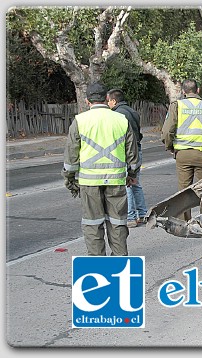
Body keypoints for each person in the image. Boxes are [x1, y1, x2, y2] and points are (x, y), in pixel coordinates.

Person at [62, 82, 140, 256]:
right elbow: (132, 154)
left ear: (87, 100)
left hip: (89, 183)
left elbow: (71, 157)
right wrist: (132, 174)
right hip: (116, 181)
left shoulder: (80, 121)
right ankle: (119, 260)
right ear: (106, 98)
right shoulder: (121, 120)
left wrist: (69, 179)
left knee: (92, 224)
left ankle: (98, 265)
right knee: (117, 223)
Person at [161, 79, 202, 221]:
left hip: (183, 153)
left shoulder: (177, 106)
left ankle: (185, 221)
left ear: (183, 91)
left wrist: (170, 146)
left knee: (184, 189)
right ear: (198, 90)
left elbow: (167, 131)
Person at [107, 88, 148, 228]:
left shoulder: (117, 114)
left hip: (125, 151)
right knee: (136, 183)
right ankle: (143, 214)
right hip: (137, 150)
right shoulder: (133, 112)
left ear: (113, 100)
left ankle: (130, 217)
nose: (107, 104)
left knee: (127, 185)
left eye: (108, 101)